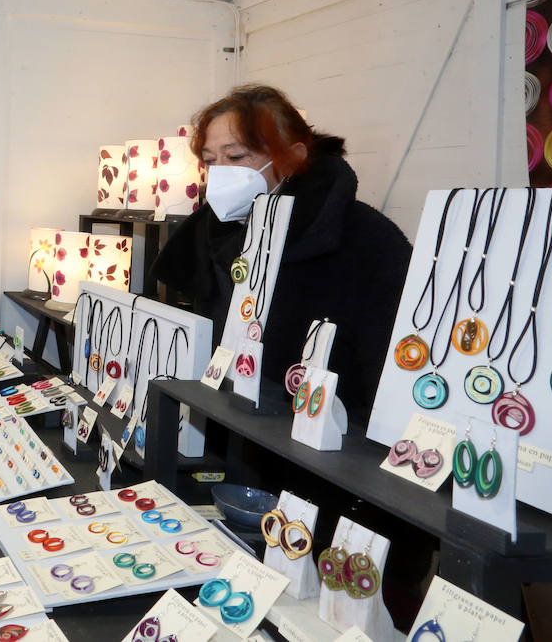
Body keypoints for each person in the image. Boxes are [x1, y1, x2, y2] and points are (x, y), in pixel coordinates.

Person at [152, 84, 412, 418]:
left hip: (324, 444)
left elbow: (388, 371)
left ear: (292, 157)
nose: (219, 173)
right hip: (227, 427)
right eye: (209, 160)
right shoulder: (215, 232)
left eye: (235, 157)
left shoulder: (366, 238)